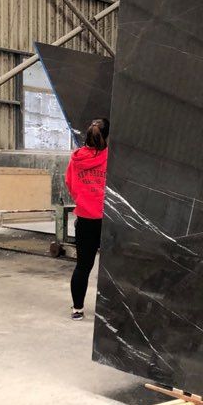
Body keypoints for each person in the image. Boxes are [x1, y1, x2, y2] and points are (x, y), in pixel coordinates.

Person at [65, 118, 109, 320]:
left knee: (83, 266)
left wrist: (83, 200)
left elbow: (70, 183)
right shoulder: (110, 158)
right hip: (107, 220)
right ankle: (111, 310)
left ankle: (77, 309)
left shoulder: (76, 158)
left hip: (85, 219)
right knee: (111, 267)